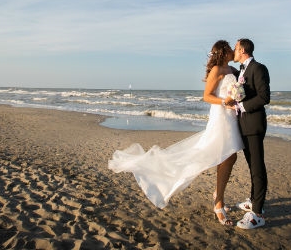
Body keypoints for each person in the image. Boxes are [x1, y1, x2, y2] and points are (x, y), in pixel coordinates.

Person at [108, 40, 244, 226]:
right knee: (222, 156)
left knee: (229, 156)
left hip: (232, 117)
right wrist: (224, 102)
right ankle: (218, 202)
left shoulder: (233, 71)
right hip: (221, 117)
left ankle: (217, 195)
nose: (232, 51)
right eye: (229, 48)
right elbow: (206, 96)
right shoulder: (217, 70)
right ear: (223, 52)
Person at [232, 38, 270, 230]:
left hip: (254, 125)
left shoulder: (258, 68)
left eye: (236, 48)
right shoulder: (241, 70)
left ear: (243, 50)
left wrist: (243, 106)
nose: (233, 50)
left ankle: (257, 214)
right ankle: (255, 200)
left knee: (257, 166)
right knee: (251, 164)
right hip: (244, 125)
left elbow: (264, 97)